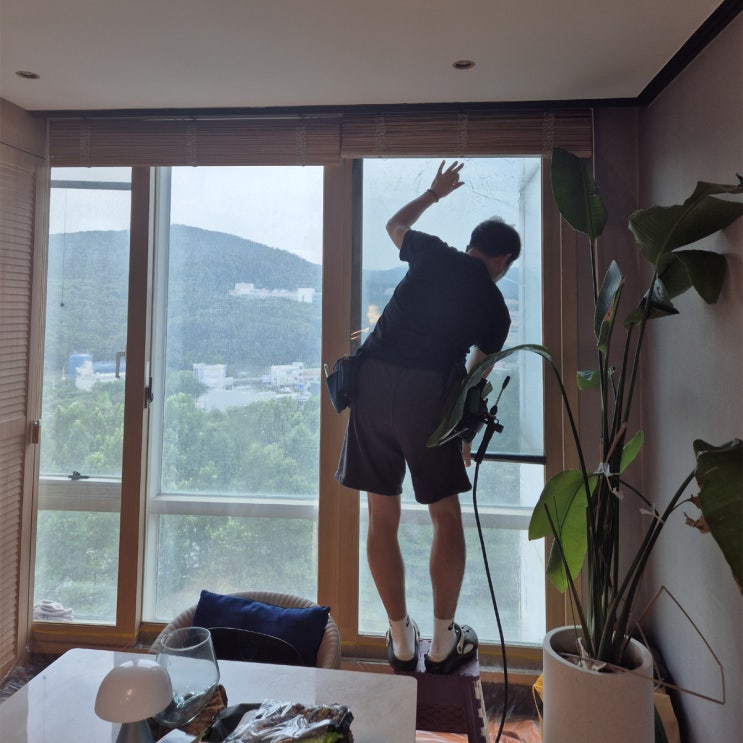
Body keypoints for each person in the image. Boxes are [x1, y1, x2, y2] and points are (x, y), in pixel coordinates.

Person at [335, 161, 520, 674]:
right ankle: (441, 644)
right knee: (445, 515)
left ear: (471, 246)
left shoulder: (433, 252)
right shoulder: (497, 308)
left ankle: (399, 641)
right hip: (428, 396)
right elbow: (473, 376)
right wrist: (464, 433)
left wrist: (434, 193)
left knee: (382, 517)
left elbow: (394, 224)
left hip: (371, 384)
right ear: (502, 260)